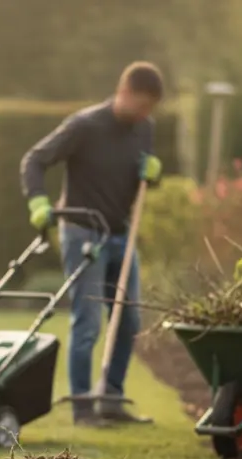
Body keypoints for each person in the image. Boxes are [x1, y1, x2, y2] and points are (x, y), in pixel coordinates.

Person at [20, 61, 164, 427]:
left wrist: (153, 174)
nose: (146, 114)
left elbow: (139, 177)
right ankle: (83, 406)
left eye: (151, 109)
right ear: (125, 92)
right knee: (88, 321)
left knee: (128, 318)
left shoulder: (144, 129)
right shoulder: (84, 126)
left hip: (121, 235)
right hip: (82, 232)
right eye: (143, 105)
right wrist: (38, 201)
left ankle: (111, 399)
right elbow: (34, 160)